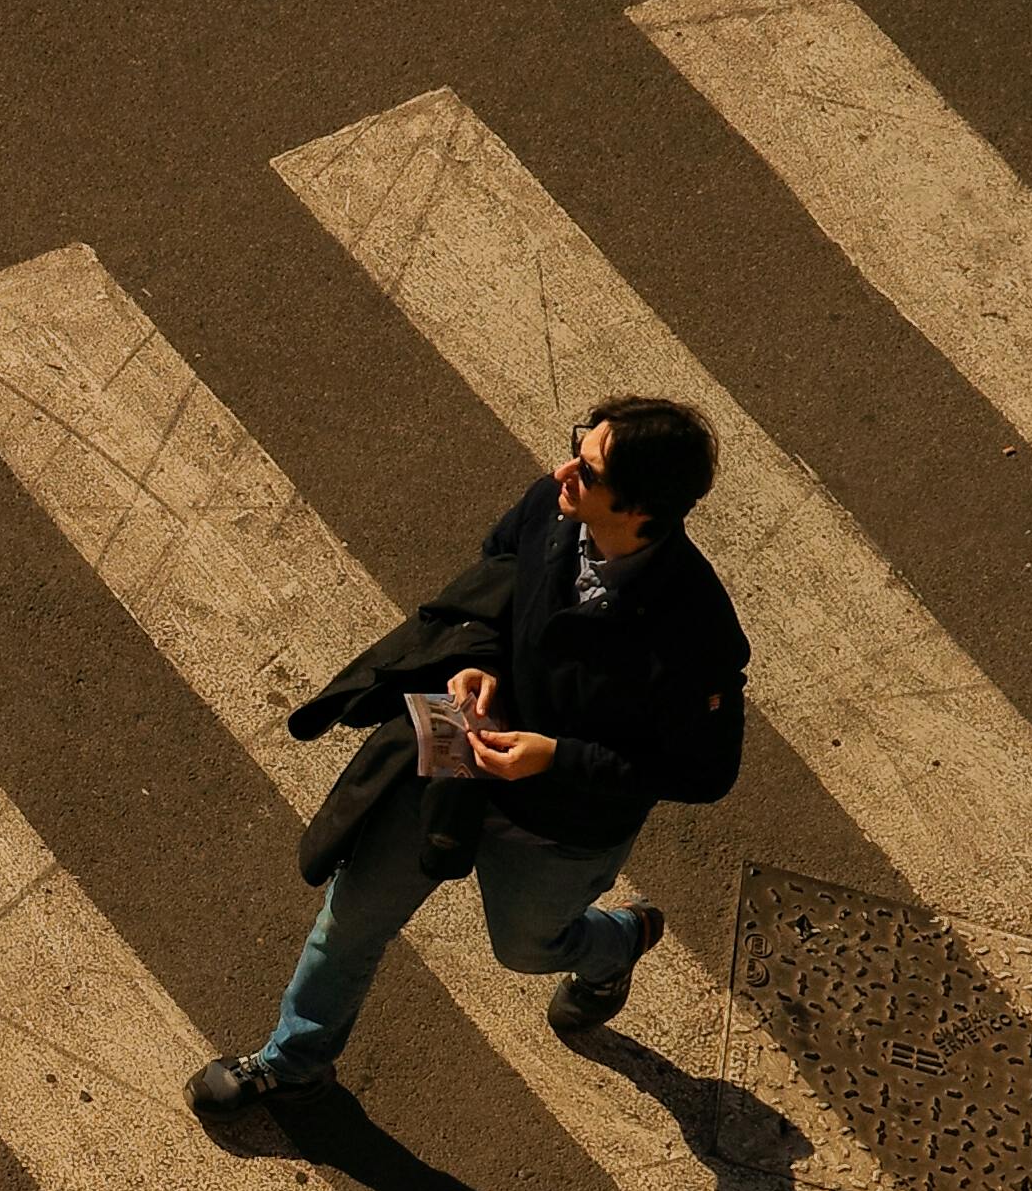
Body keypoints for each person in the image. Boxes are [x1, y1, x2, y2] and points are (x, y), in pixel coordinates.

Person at [193, 397, 749, 1113]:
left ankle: (615, 946)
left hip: (558, 822)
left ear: (641, 509)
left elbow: (705, 770)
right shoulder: (552, 507)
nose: (563, 471)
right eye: (579, 446)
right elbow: (498, 570)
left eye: (589, 471)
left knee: (525, 948)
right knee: (351, 916)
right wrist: (477, 660)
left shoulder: (696, 629)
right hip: (457, 746)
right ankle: (294, 1061)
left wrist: (556, 758)